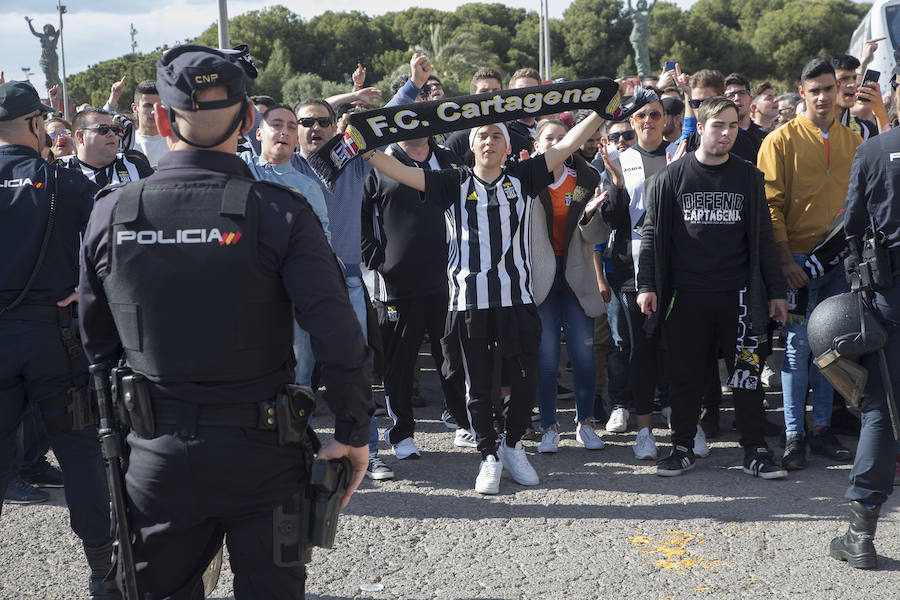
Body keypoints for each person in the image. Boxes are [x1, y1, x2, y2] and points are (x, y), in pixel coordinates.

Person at [78, 45, 373, 598]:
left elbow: (95, 347)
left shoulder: (111, 212)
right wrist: (354, 432)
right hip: (262, 453)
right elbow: (337, 333)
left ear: (162, 119)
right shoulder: (281, 211)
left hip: (156, 453)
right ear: (248, 119)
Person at [362, 109, 612, 494]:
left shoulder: (524, 176)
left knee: (525, 378)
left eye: (497, 136)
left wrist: (599, 112)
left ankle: (513, 445)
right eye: (482, 135)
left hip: (517, 297)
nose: (489, 141)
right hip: (469, 300)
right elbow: (399, 171)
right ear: (472, 145)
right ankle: (489, 455)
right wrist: (365, 147)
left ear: (508, 147)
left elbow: (566, 145)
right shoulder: (451, 181)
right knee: (477, 384)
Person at [0, 80, 117, 599]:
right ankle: (103, 574)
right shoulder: (65, 183)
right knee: (80, 456)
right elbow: (111, 247)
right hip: (54, 338)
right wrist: (85, 289)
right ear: (34, 124)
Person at [290, 52, 429, 481]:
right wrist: (347, 95)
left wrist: (412, 85)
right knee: (297, 375)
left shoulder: (350, 163)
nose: (315, 128)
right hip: (292, 286)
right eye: (306, 122)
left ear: (336, 128)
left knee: (354, 371)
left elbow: (385, 123)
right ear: (294, 129)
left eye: (323, 122)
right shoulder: (279, 167)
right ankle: (290, 456)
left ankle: (366, 453)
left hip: (347, 280)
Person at [636, 97, 789, 478]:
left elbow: (764, 238)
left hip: (740, 297)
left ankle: (755, 449)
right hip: (686, 296)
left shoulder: (748, 176)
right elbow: (651, 234)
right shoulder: (671, 177)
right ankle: (682, 447)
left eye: (733, 126)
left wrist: (775, 291)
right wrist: (647, 284)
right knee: (685, 378)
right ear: (700, 128)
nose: (726, 133)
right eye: (718, 125)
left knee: (747, 375)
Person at [758, 57, 862, 470]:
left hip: (840, 261)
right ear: (801, 92)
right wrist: (785, 260)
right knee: (796, 349)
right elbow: (769, 205)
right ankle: (793, 434)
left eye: (828, 89)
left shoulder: (854, 141)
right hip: (797, 261)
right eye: (814, 90)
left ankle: (821, 429)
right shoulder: (780, 140)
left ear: (838, 90)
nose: (822, 97)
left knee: (830, 349)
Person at [360, 120, 474, 457]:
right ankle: (401, 435)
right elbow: (361, 215)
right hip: (398, 283)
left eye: (423, 118)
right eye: (408, 118)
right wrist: (377, 258)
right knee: (400, 362)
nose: (416, 126)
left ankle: (462, 422)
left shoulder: (449, 158)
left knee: (452, 356)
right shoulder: (381, 161)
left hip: (448, 279)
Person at [828, 68, 900, 568]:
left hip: (891, 296)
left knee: (881, 408)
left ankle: (860, 532)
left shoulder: (874, 151)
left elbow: (852, 223)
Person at [529, 119, 610, 453]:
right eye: (549, 138)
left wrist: (589, 216)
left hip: (576, 275)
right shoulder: (525, 179)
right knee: (547, 358)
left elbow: (596, 234)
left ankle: (585, 423)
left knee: (583, 355)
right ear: (537, 144)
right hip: (541, 278)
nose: (556, 142)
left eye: (563, 137)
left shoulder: (584, 179)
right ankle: (549, 426)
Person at [56, 108, 152, 186]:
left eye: (114, 129)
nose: (111, 134)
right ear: (80, 137)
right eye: (103, 129)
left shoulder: (136, 166)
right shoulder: (59, 171)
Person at [130, 80, 170, 168]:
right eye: (148, 106)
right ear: (135, 108)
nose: (153, 111)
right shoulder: (129, 143)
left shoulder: (175, 142)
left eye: (158, 106)